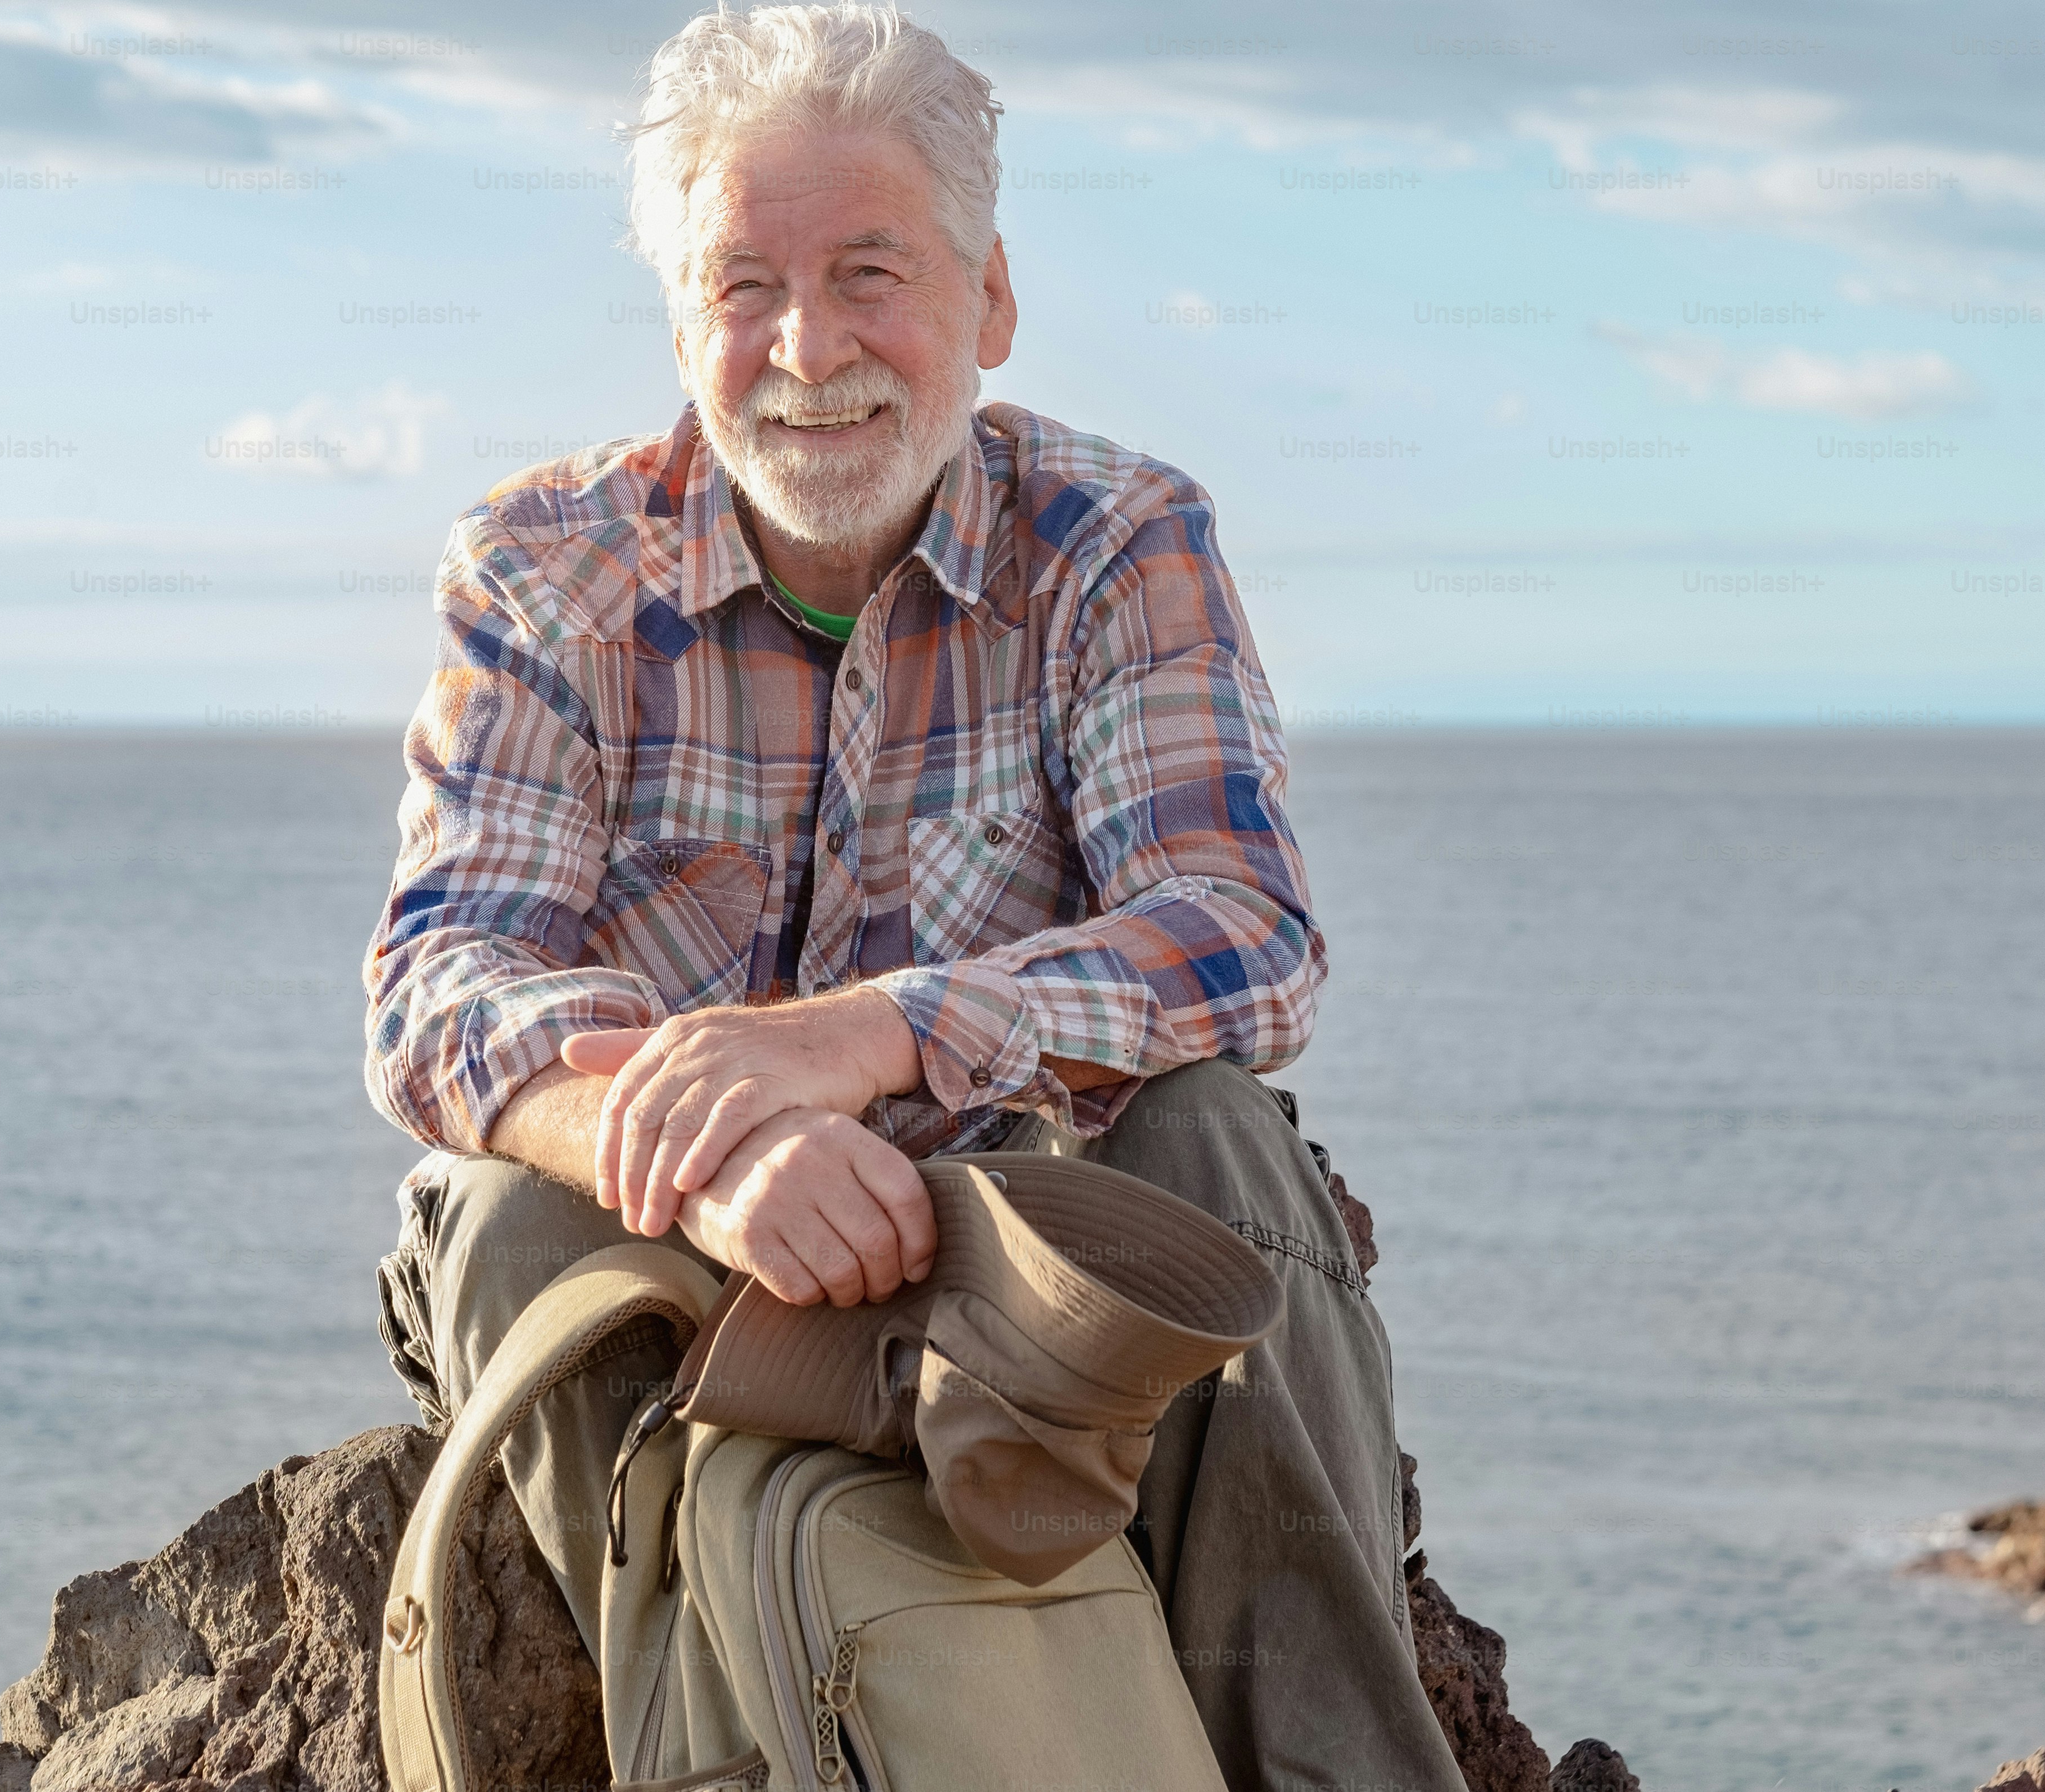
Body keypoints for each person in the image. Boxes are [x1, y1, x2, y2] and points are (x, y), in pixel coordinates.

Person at [364, 8, 1463, 1789]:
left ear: (991, 301)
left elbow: (1242, 930)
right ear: (680, 323)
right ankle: (712, 1760)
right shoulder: (545, 566)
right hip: (674, 1268)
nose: (808, 348)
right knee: (502, 1218)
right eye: (744, 286)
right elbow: (438, 988)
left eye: (869, 271)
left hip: (1013, 1260)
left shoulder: (1118, 540)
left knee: (1219, 1139)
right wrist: (717, 1148)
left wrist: (855, 1043)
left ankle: (1320, 1769)